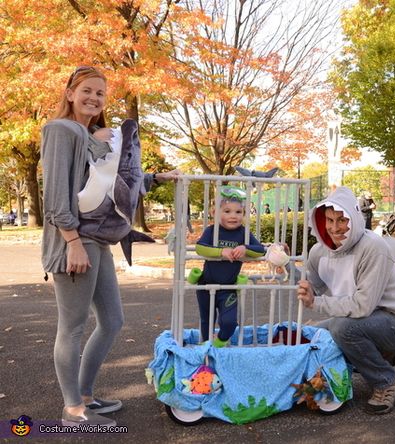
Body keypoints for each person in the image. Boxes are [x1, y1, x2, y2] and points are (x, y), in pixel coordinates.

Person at [41, 66, 179, 427]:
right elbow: (55, 195)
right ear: (70, 92)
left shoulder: (88, 133)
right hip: (74, 240)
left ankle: (86, 395)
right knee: (72, 327)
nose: (94, 98)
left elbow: (107, 180)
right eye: (87, 90)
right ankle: (72, 409)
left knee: (113, 321)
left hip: (98, 241)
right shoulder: (60, 130)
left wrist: (155, 178)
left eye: (100, 93)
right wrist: (71, 241)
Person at [297, 186, 395, 415]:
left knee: (342, 329)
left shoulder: (373, 247)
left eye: (341, 220)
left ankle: (386, 382)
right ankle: (381, 351)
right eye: (329, 220)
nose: (335, 228)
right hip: (369, 320)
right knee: (313, 334)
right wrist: (284, 261)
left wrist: (316, 304)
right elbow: (312, 288)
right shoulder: (318, 252)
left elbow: (362, 305)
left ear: (354, 219)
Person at [195, 187, 265, 347]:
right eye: (227, 211)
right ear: (215, 213)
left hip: (228, 288)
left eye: (238, 212)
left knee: (229, 322)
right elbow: (200, 248)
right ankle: (206, 349)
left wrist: (245, 248)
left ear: (244, 214)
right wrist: (221, 252)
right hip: (206, 285)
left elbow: (260, 250)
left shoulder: (243, 233)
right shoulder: (212, 230)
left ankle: (218, 345)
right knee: (207, 320)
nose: (233, 216)